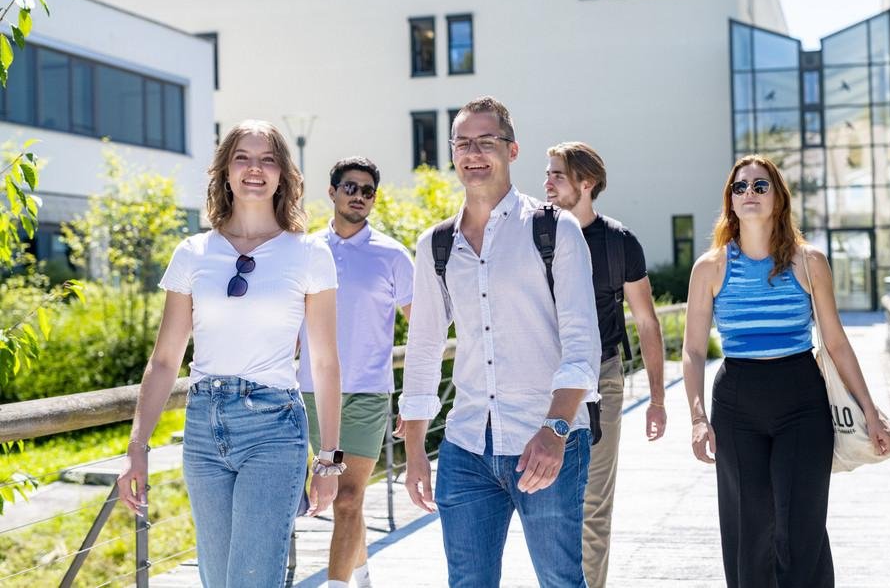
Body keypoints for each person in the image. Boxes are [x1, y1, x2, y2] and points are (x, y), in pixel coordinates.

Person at [116, 120, 345, 588]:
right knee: (217, 579)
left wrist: (327, 459)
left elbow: (324, 363)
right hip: (203, 426)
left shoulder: (308, 253)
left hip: (273, 428)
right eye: (242, 157)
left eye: (267, 159)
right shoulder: (193, 252)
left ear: (283, 174)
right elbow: (164, 361)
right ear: (224, 171)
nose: (254, 169)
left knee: (251, 579)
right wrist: (136, 448)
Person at [400, 96, 601, 588]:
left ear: (512, 150)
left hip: (546, 441)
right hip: (466, 447)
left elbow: (582, 343)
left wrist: (555, 432)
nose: (474, 153)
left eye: (486, 142)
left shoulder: (554, 229)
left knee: (560, 582)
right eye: (463, 143)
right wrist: (413, 452)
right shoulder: (436, 244)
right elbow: (424, 348)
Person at [681, 154, 890, 587]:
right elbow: (691, 349)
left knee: (801, 526)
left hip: (801, 398)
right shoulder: (710, 267)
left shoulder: (808, 261)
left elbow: (835, 343)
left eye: (761, 186)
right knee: (749, 530)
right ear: (730, 202)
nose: (750, 194)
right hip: (737, 400)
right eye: (740, 188)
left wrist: (871, 410)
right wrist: (698, 419)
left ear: (779, 199)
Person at [544, 141, 667, 588]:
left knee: (594, 500)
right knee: (544, 499)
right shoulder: (536, 234)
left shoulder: (619, 243)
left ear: (587, 183)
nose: (547, 183)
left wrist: (657, 399)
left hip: (602, 377)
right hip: (542, 377)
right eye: (549, 173)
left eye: (558, 174)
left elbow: (648, 324)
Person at [298, 156, 414, 588]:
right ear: (331, 192)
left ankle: (338, 583)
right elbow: (290, 327)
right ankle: (360, 571)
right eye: (351, 187)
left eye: (368, 191)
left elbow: (422, 331)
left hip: (366, 393)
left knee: (347, 498)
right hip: (309, 391)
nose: (359, 196)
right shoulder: (305, 250)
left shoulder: (393, 256)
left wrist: (414, 397)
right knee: (344, 501)